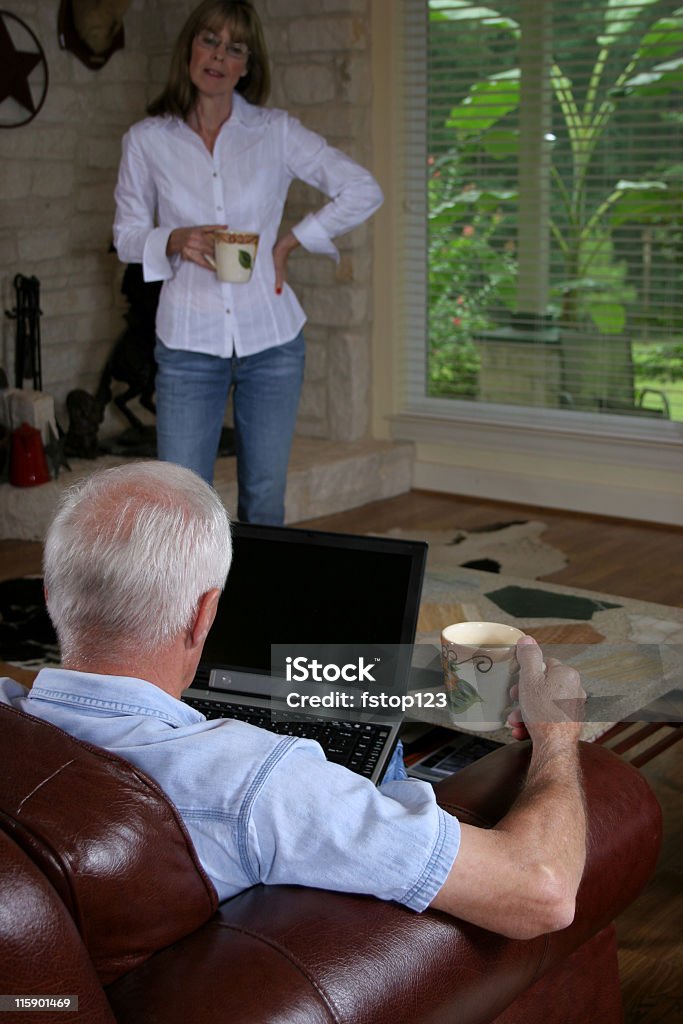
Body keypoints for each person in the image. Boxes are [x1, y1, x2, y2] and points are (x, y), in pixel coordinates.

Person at [0, 463, 587, 940]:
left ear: (53, 595)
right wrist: (557, 734)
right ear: (205, 614)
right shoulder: (261, 784)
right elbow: (543, 892)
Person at [112, 0, 383, 525]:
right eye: (209, 40)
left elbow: (361, 188)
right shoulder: (148, 140)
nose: (218, 56)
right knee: (184, 509)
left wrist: (291, 242)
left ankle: (259, 606)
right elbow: (125, 235)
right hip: (188, 344)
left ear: (247, 65)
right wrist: (175, 238)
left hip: (272, 342)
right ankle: (191, 609)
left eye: (234, 48)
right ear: (190, 47)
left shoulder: (275, 132)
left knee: (263, 501)